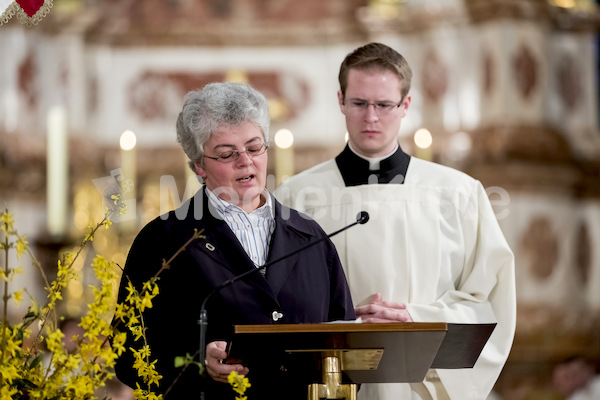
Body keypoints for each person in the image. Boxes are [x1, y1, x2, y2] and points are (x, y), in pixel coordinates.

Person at [274, 42, 516, 399]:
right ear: (340, 100)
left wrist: (415, 317)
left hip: (418, 383)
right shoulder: (296, 196)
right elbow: (278, 304)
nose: (371, 117)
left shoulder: (458, 192)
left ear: (405, 105)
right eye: (359, 103)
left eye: (384, 105)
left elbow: (489, 301)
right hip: (329, 383)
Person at [113, 82, 355, 399]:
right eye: (227, 153)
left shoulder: (312, 237)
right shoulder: (163, 241)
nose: (245, 161)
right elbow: (128, 357)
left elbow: (348, 348)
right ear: (199, 165)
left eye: (254, 148)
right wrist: (200, 363)